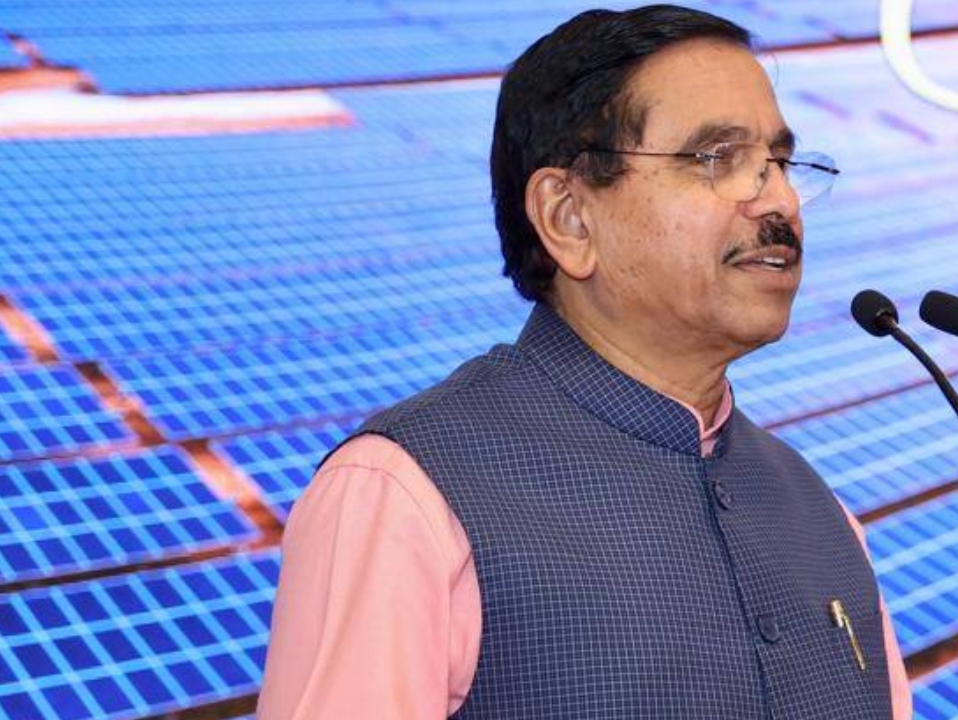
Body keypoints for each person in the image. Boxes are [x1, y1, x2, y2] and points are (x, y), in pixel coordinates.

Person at [257, 5, 911, 718]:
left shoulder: (820, 513)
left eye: (779, 163)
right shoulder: (404, 495)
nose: (780, 201)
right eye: (717, 159)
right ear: (567, 218)